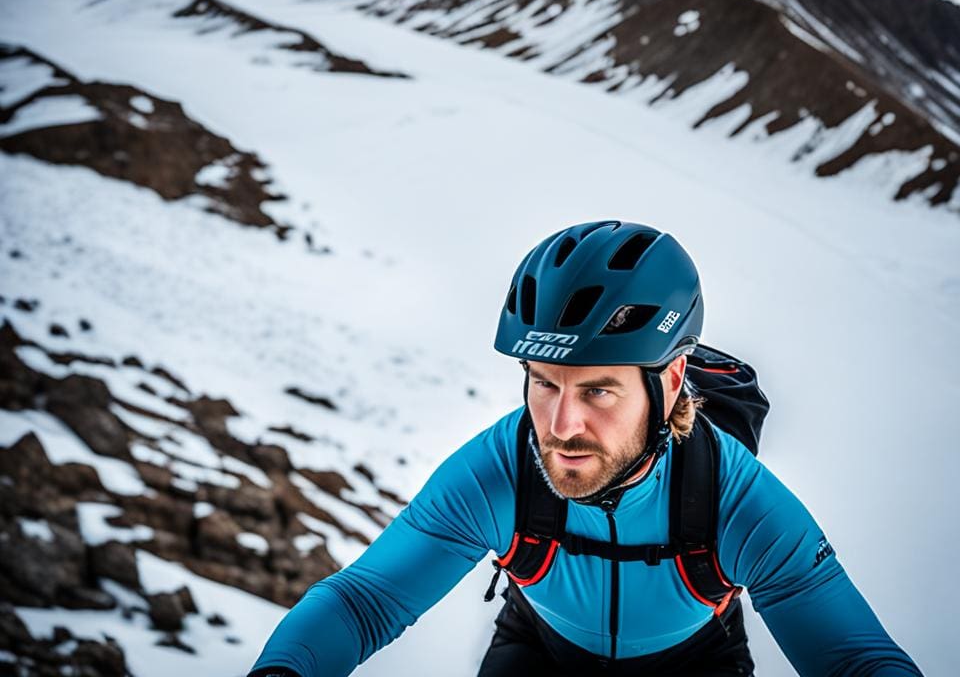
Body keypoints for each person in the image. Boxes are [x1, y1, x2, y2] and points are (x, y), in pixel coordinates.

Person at [248, 221, 921, 676]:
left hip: (698, 661)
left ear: (672, 380)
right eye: (544, 384)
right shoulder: (498, 472)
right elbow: (364, 603)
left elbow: (856, 660)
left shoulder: (731, 497)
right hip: (538, 652)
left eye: (599, 390)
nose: (560, 424)